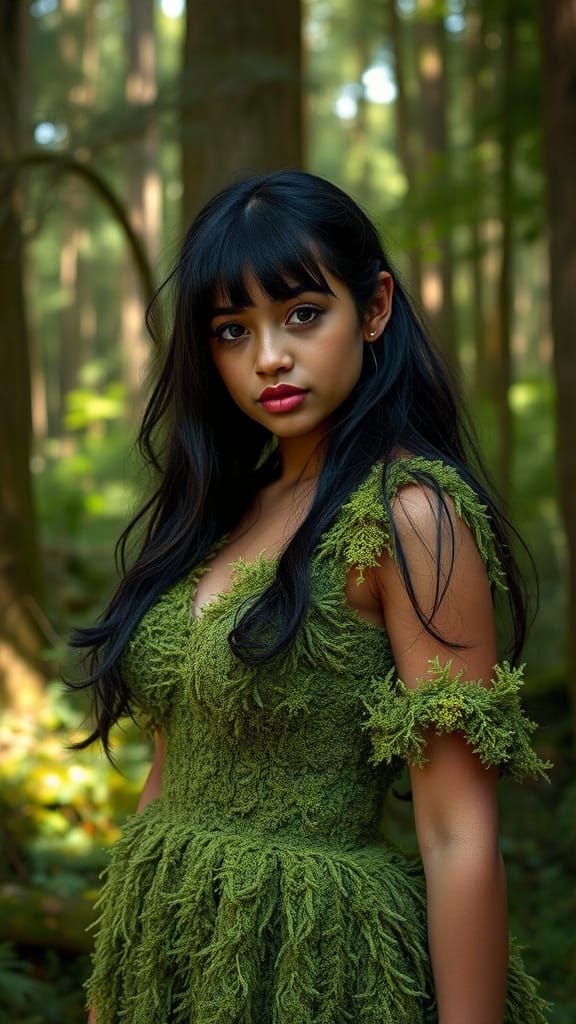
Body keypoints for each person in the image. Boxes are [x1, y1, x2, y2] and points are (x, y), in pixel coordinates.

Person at [68, 169, 553, 1024]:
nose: (268, 358)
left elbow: (458, 832)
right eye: (232, 330)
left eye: (301, 314)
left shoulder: (410, 515)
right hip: (165, 958)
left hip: (311, 964)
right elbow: (172, 772)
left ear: (373, 309)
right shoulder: (220, 515)